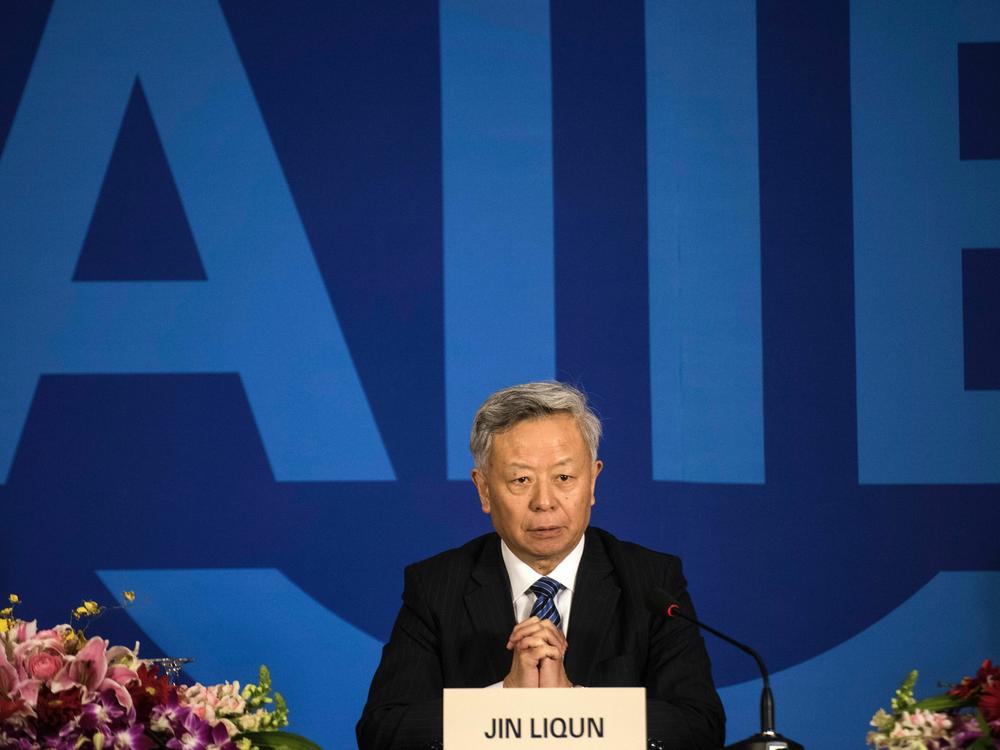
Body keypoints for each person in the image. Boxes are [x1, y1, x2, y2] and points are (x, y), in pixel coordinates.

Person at [357, 382, 725, 750]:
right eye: (521, 480)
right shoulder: (437, 586)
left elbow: (700, 726)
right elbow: (383, 731)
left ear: (593, 481)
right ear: (483, 489)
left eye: (564, 478)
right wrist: (504, 700)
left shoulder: (651, 583)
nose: (544, 501)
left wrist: (575, 708)